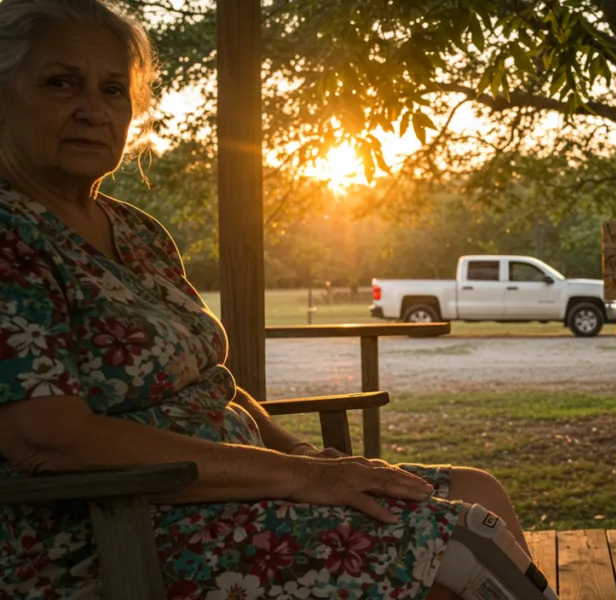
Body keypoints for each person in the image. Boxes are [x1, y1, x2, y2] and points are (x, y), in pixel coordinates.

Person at [0, 1, 534, 598]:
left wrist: (307, 456)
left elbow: (212, 386)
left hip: (236, 493)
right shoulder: (11, 234)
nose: (93, 110)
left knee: (478, 493)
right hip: (110, 532)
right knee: (460, 551)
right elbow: (46, 439)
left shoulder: (138, 232)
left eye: (112, 90)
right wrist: (298, 477)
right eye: (60, 82)